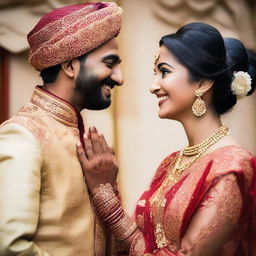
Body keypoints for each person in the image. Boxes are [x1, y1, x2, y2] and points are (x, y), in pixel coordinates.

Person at [77, 22, 256, 255]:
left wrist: (106, 196)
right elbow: (135, 243)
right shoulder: (171, 163)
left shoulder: (232, 168)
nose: (153, 86)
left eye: (164, 71)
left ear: (202, 83)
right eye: (155, 74)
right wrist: (108, 185)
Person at [0, 2, 123, 256]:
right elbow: (11, 248)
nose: (120, 78)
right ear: (70, 66)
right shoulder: (23, 135)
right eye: (110, 63)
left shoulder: (76, 133)